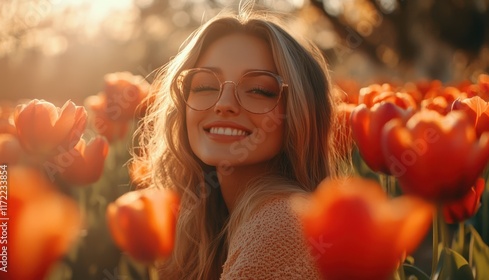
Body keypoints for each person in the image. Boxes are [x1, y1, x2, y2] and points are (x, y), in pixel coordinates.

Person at [134, 3, 345, 279]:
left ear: (300, 111)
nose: (224, 104)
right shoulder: (208, 224)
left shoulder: (281, 225)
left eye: (259, 90)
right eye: (205, 86)